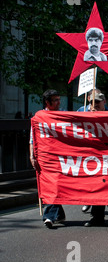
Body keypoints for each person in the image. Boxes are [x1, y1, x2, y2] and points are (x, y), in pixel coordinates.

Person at [84, 91, 108, 227]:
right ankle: (97, 216)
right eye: (91, 103)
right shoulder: (84, 115)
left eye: (97, 103)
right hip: (93, 157)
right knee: (96, 186)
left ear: (104, 102)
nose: (94, 106)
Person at [30, 89, 66, 229]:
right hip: (46, 158)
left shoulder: (63, 115)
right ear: (47, 102)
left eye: (59, 99)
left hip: (60, 158)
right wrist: (32, 156)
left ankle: (52, 215)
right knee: (52, 185)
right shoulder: (39, 117)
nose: (59, 102)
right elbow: (32, 139)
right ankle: (52, 215)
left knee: (55, 185)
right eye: (55, 100)